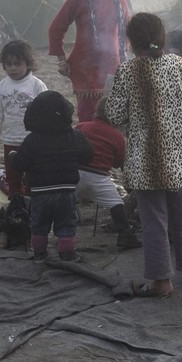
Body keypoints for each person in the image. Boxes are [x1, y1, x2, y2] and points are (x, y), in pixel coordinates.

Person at [104, 12, 182, 298]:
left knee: (154, 220)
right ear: (163, 37)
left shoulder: (127, 71)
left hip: (146, 161)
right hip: (181, 158)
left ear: (131, 42)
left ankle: (161, 281)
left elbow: (112, 114)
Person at [7, 90, 92, 262]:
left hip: (40, 193)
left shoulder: (32, 140)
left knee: (39, 225)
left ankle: (39, 254)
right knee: (67, 224)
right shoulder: (75, 136)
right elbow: (88, 155)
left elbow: (20, 164)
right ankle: (67, 255)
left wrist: (12, 158)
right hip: (67, 191)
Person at [48, 0, 131, 123]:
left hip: (113, 67)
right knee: (88, 116)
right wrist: (61, 60)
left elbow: (127, 30)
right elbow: (56, 28)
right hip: (85, 70)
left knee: (113, 115)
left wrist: (125, 55)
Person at [75, 97, 141, 249]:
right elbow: (119, 163)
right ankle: (125, 235)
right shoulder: (118, 136)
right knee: (116, 204)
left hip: (73, 174)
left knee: (65, 203)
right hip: (98, 176)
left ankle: (62, 236)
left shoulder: (81, 127)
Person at [0, 39, 48, 196]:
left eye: (18, 63)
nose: (13, 68)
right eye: (9, 64)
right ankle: (16, 207)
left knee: (32, 177)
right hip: (10, 140)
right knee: (12, 177)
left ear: (28, 63)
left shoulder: (37, 85)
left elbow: (46, 112)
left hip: (32, 141)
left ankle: (32, 207)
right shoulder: (2, 85)